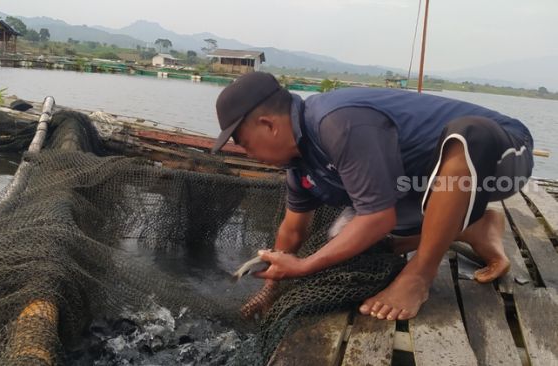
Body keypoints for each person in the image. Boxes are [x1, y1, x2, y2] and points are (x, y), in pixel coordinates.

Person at [212, 72, 534, 321]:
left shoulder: (335, 122)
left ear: (268, 125)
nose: (249, 154)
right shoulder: (299, 165)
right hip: (425, 184)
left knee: (465, 135)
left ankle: (419, 275)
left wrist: (304, 266)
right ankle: (473, 226)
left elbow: (378, 217)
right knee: (351, 243)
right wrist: (271, 287)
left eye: (245, 143)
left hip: (500, 155)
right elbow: (293, 229)